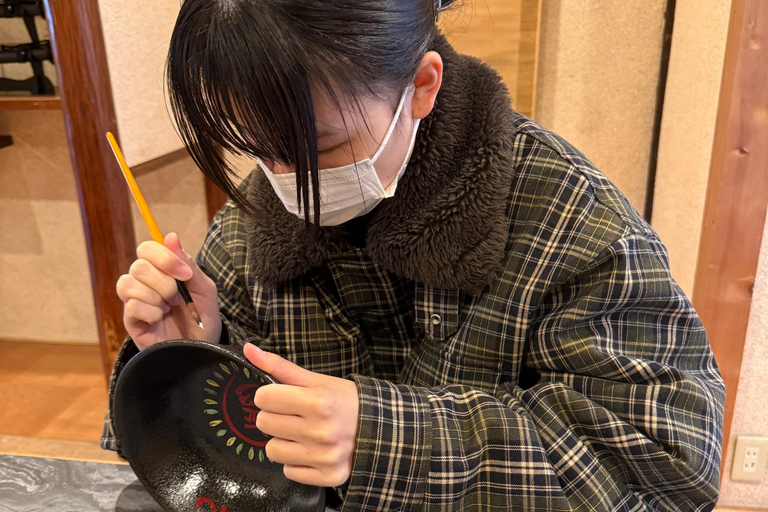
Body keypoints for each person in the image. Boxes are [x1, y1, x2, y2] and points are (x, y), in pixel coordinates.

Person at [101, 0, 725, 510]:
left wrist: (378, 440)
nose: (287, 180)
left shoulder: (572, 222)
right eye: (258, 147)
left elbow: (667, 473)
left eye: (319, 142)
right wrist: (193, 359)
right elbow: (217, 477)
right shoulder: (248, 228)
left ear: (423, 85)